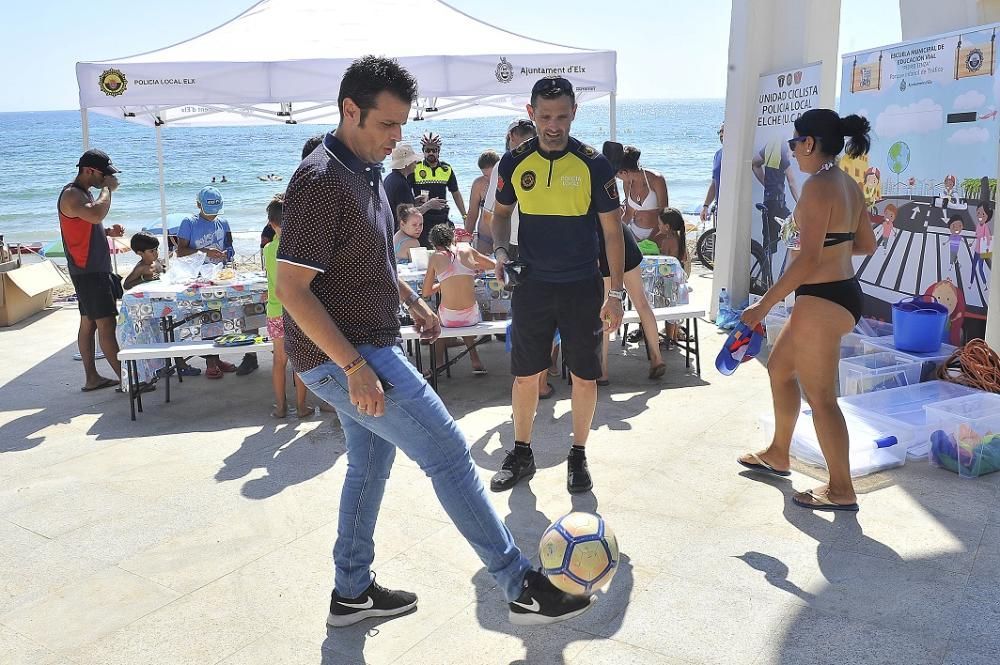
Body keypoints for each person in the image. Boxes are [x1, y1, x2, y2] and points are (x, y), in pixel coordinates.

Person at [276, 55, 594, 627]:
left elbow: (364, 256)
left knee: (369, 464)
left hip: (369, 342)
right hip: (348, 355)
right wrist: (352, 366)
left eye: (402, 126)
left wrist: (413, 299)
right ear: (350, 110)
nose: (397, 139)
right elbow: (291, 289)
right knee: (448, 453)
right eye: (386, 125)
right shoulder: (320, 179)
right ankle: (519, 583)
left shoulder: (362, 170)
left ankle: (350, 593)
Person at [489, 76, 626, 495]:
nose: (553, 125)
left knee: (584, 377)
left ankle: (578, 454)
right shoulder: (514, 162)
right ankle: (522, 451)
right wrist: (499, 251)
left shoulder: (593, 164)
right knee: (526, 376)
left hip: (582, 286)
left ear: (573, 114)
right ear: (531, 114)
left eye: (561, 116)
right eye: (545, 116)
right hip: (532, 285)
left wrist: (616, 293)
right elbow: (498, 215)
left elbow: (613, 233)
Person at [738, 109, 877, 512]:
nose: (793, 150)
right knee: (780, 368)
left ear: (811, 143)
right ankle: (779, 453)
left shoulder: (818, 186)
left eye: (796, 143)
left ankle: (841, 488)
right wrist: (827, 251)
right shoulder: (848, 184)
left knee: (821, 398)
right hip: (842, 292)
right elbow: (866, 244)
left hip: (823, 298)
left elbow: (807, 261)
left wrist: (762, 306)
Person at [482, 119, 556, 397]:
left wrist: (497, 248)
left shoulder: (507, 162)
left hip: (518, 246)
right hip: (529, 245)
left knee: (527, 313)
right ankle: (537, 377)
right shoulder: (522, 159)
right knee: (537, 313)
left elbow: (491, 213)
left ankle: (532, 377)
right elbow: (493, 214)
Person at [59, 149, 126, 392]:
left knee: (88, 324)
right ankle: (127, 380)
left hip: (88, 270)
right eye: (104, 175)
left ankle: (92, 378)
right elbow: (96, 214)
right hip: (90, 271)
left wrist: (107, 233)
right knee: (107, 325)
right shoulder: (71, 195)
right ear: (89, 170)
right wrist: (107, 189)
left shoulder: (81, 194)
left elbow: (84, 225)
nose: (106, 178)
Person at [176, 187, 241, 379]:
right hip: (196, 278)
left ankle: (216, 358)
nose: (213, 216)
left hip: (218, 276)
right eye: (208, 211)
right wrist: (205, 251)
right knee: (206, 318)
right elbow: (180, 251)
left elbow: (230, 247)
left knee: (219, 318)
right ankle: (210, 361)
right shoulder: (189, 222)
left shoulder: (223, 223)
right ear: (198, 205)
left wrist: (226, 253)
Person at [263, 194, 314, 418]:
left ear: (271, 224)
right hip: (298, 310)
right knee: (300, 361)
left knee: (279, 361)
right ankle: (302, 406)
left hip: (275, 310)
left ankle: (281, 406)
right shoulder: (301, 247)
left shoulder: (268, 249)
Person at [422, 223, 496, 375]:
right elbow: (492, 265)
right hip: (472, 316)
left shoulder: (435, 257)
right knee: (464, 315)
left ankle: (438, 364)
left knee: (437, 321)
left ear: (434, 244)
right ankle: (475, 359)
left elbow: (426, 292)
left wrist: (443, 284)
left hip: (449, 318)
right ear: (453, 237)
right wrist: (475, 268)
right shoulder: (467, 249)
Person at [409, 131, 467, 246]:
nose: (431, 153)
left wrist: (464, 215)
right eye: (427, 150)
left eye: (434, 150)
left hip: (442, 217)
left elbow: (456, 193)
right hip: (423, 219)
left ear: (439, 151)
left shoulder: (446, 169)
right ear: (423, 151)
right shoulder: (415, 168)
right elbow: (406, 191)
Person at [752, 137, 801, 253]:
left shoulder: (771, 145)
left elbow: (755, 163)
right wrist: (800, 203)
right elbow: (791, 181)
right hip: (777, 205)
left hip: (769, 201)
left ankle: (766, 270)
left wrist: (767, 184)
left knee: (770, 243)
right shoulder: (782, 148)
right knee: (797, 234)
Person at [384, 143, 446, 230]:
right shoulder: (402, 184)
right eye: (413, 161)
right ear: (406, 164)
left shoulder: (390, 178)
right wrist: (429, 205)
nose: (416, 164)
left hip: (390, 229)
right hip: (398, 230)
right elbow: (410, 216)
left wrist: (413, 201)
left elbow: (399, 206)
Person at [614, 145, 669, 240]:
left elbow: (664, 214)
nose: (617, 178)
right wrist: (616, 232)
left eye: (617, 175)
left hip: (656, 233)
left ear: (624, 172)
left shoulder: (656, 179)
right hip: (634, 232)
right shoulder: (627, 183)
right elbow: (628, 214)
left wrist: (651, 239)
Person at [464, 150, 501, 255]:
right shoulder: (478, 184)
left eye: (493, 174)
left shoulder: (509, 183)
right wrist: (466, 237)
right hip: (484, 238)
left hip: (505, 239)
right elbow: (472, 213)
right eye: (485, 175)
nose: (490, 179)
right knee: (482, 270)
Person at [701, 123, 724, 223]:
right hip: (720, 207)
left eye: (724, 131)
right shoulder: (718, 154)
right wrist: (706, 206)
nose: (721, 134)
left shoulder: (737, 155)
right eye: (720, 132)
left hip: (734, 207)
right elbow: (714, 183)